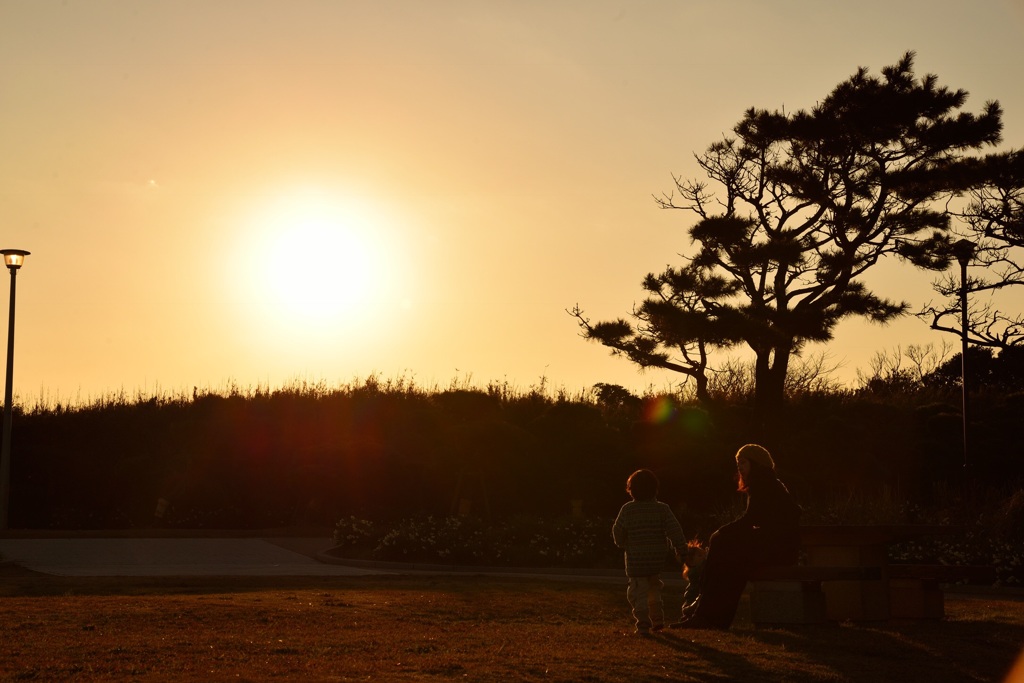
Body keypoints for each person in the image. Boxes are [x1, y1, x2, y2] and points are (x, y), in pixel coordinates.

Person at [670, 444, 801, 630]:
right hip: (776, 549)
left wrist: (722, 532)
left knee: (723, 548)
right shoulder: (767, 483)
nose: (739, 467)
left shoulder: (764, 483)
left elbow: (752, 519)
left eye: (743, 462)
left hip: (777, 552)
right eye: (738, 463)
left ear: (756, 463)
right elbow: (759, 522)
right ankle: (707, 613)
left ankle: (706, 612)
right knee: (726, 556)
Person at [612, 468, 688, 635]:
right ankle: (658, 618)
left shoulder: (627, 510)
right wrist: (681, 549)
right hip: (656, 559)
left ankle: (643, 623)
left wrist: (623, 543)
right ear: (655, 488)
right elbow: (675, 530)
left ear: (631, 489)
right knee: (654, 588)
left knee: (638, 592)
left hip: (636, 559)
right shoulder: (662, 509)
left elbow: (617, 531)